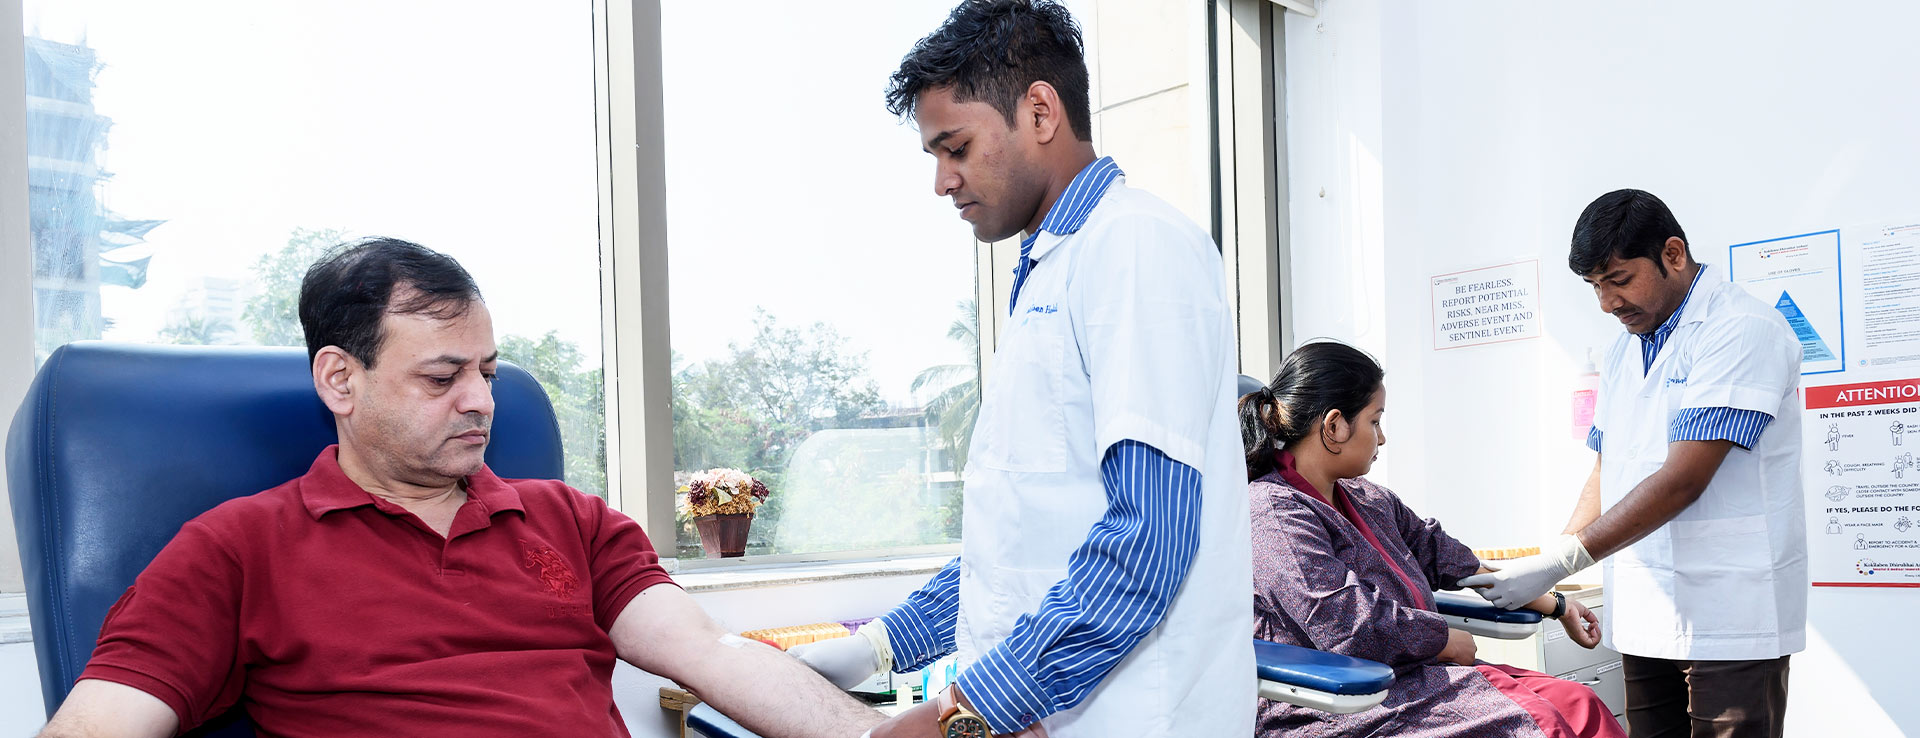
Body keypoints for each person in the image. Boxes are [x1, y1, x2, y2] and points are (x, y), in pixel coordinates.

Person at [36, 239, 885, 738]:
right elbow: (102, 723)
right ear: (341, 379)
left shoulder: (572, 522)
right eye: (442, 376)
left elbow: (710, 656)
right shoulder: (236, 549)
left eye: (486, 369)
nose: (481, 399)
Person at [787, 2, 1254, 737]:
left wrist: (964, 714)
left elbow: (1148, 540)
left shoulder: (1135, 247)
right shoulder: (1051, 269)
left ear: (1040, 110)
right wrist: (874, 648)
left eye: (958, 147)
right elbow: (1021, 543)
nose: (943, 181)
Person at [1462, 189, 1806, 738]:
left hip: (1731, 611)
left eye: (1619, 280)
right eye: (1596, 287)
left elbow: (1684, 480)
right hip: (1646, 612)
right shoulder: (1625, 349)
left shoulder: (1742, 328)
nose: (1607, 303)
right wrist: (1549, 569)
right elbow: (1608, 472)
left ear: (1673, 253)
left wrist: (1561, 564)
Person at [1244, 341, 1622, 738]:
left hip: (1417, 678)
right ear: (1335, 426)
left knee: (1582, 707)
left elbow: (1449, 559)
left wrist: (1557, 605)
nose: (1382, 438)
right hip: (1341, 706)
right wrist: (1442, 640)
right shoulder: (1274, 514)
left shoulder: (1367, 497)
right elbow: (1347, 626)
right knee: (1540, 725)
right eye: (1375, 421)